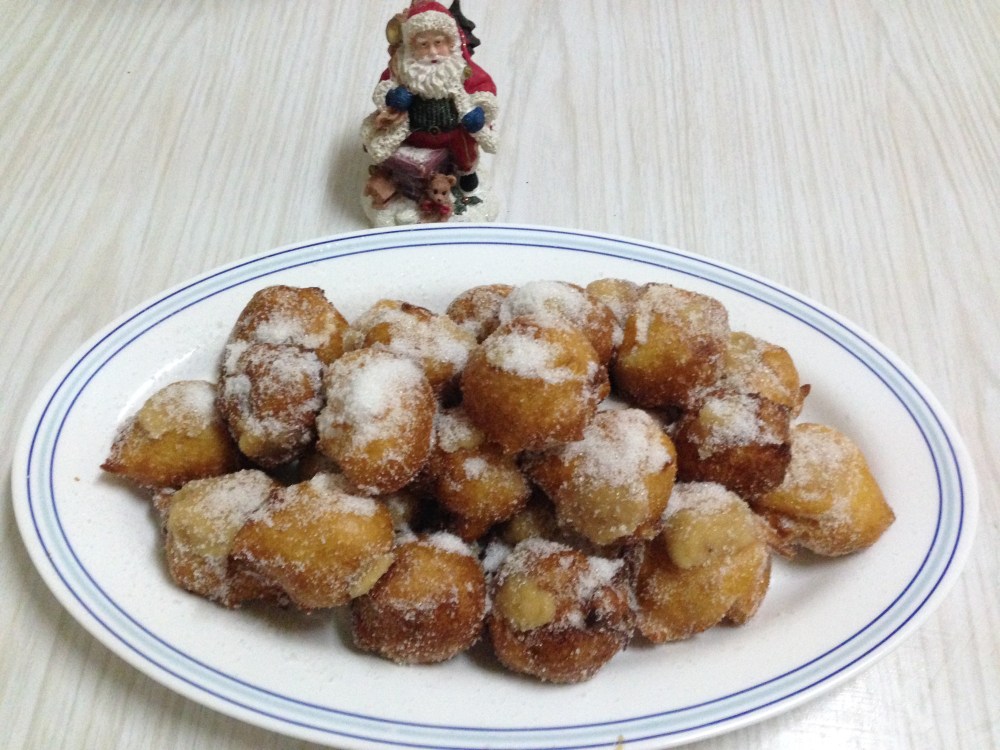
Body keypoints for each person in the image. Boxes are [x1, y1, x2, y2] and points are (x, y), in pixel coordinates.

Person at [362, 1, 498, 197]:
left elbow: (484, 86)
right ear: (411, 46)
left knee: (465, 150)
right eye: (424, 45)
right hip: (414, 131)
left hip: (454, 130)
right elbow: (383, 88)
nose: (433, 52)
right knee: (390, 145)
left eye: (438, 43)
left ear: (450, 42)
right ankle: (400, 181)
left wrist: (479, 109)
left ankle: (467, 173)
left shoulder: (461, 68)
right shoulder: (401, 69)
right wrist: (392, 97)